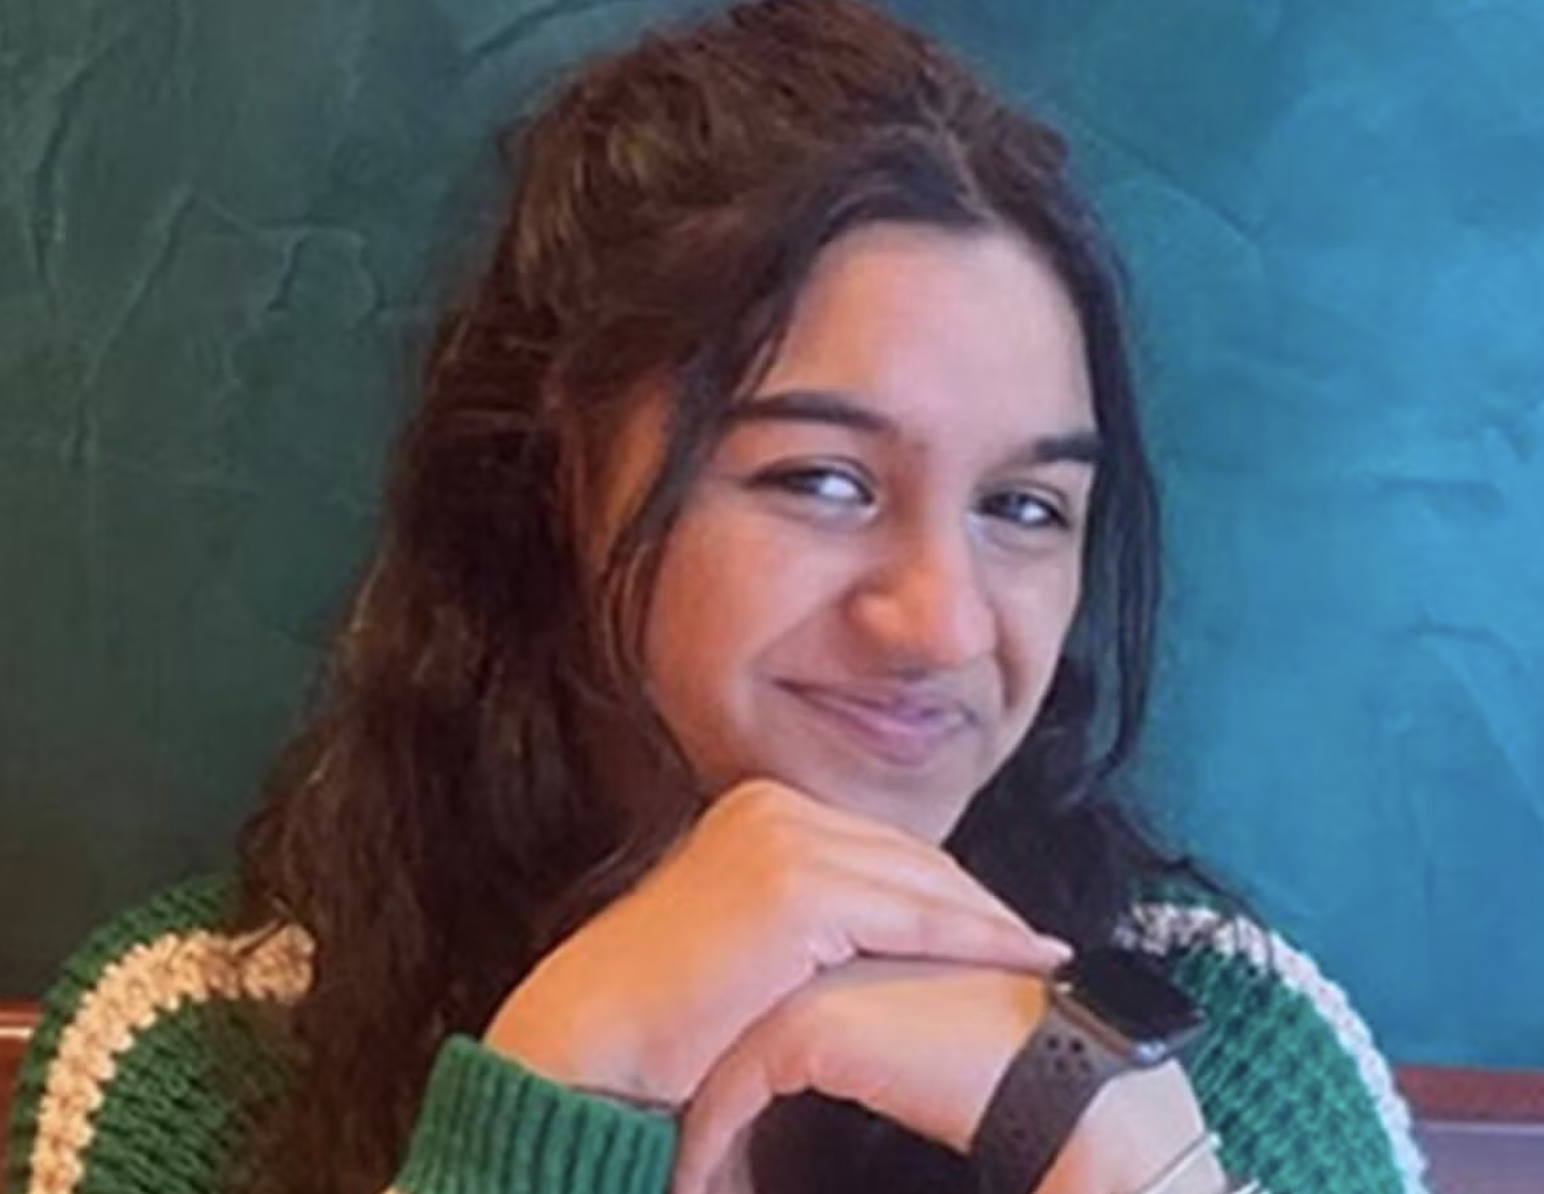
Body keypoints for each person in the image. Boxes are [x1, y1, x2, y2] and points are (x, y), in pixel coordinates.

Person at [5, 4, 1429, 1194]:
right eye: (822, 480)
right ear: (551, 480)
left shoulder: (1232, 1047)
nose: (943, 624)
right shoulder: (203, 1046)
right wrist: (558, 1090)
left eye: (1024, 507)